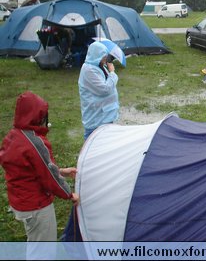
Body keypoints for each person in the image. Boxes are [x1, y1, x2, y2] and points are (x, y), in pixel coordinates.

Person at [0, 91, 79, 245]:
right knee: (43, 248)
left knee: (35, 240)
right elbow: (49, 176)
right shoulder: (35, 143)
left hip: (21, 201)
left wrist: (61, 171)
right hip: (36, 206)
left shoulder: (13, 136)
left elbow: (31, 169)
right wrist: (69, 194)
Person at [78, 41, 119, 140]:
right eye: (103, 56)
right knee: (93, 145)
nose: (105, 58)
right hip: (96, 119)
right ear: (96, 55)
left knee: (106, 146)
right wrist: (112, 73)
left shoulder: (99, 66)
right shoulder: (89, 70)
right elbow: (105, 89)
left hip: (104, 115)